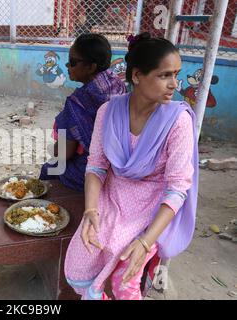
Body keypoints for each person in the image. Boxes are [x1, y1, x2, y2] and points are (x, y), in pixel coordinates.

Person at [64, 33, 199, 300]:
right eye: (164, 75)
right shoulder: (108, 111)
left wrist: (146, 241)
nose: (175, 84)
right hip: (111, 199)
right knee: (80, 267)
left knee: (124, 283)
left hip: (151, 207)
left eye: (176, 74)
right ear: (137, 76)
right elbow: (97, 166)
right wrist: (91, 210)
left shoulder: (178, 121)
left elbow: (177, 188)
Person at [39, 33, 126, 191]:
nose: (67, 66)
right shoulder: (119, 85)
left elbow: (65, 153)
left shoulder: (77, 103)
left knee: (50, 168)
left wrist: (53, 150)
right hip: (122, 165)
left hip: (95, 173)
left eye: (72, 62)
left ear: (91, 67)